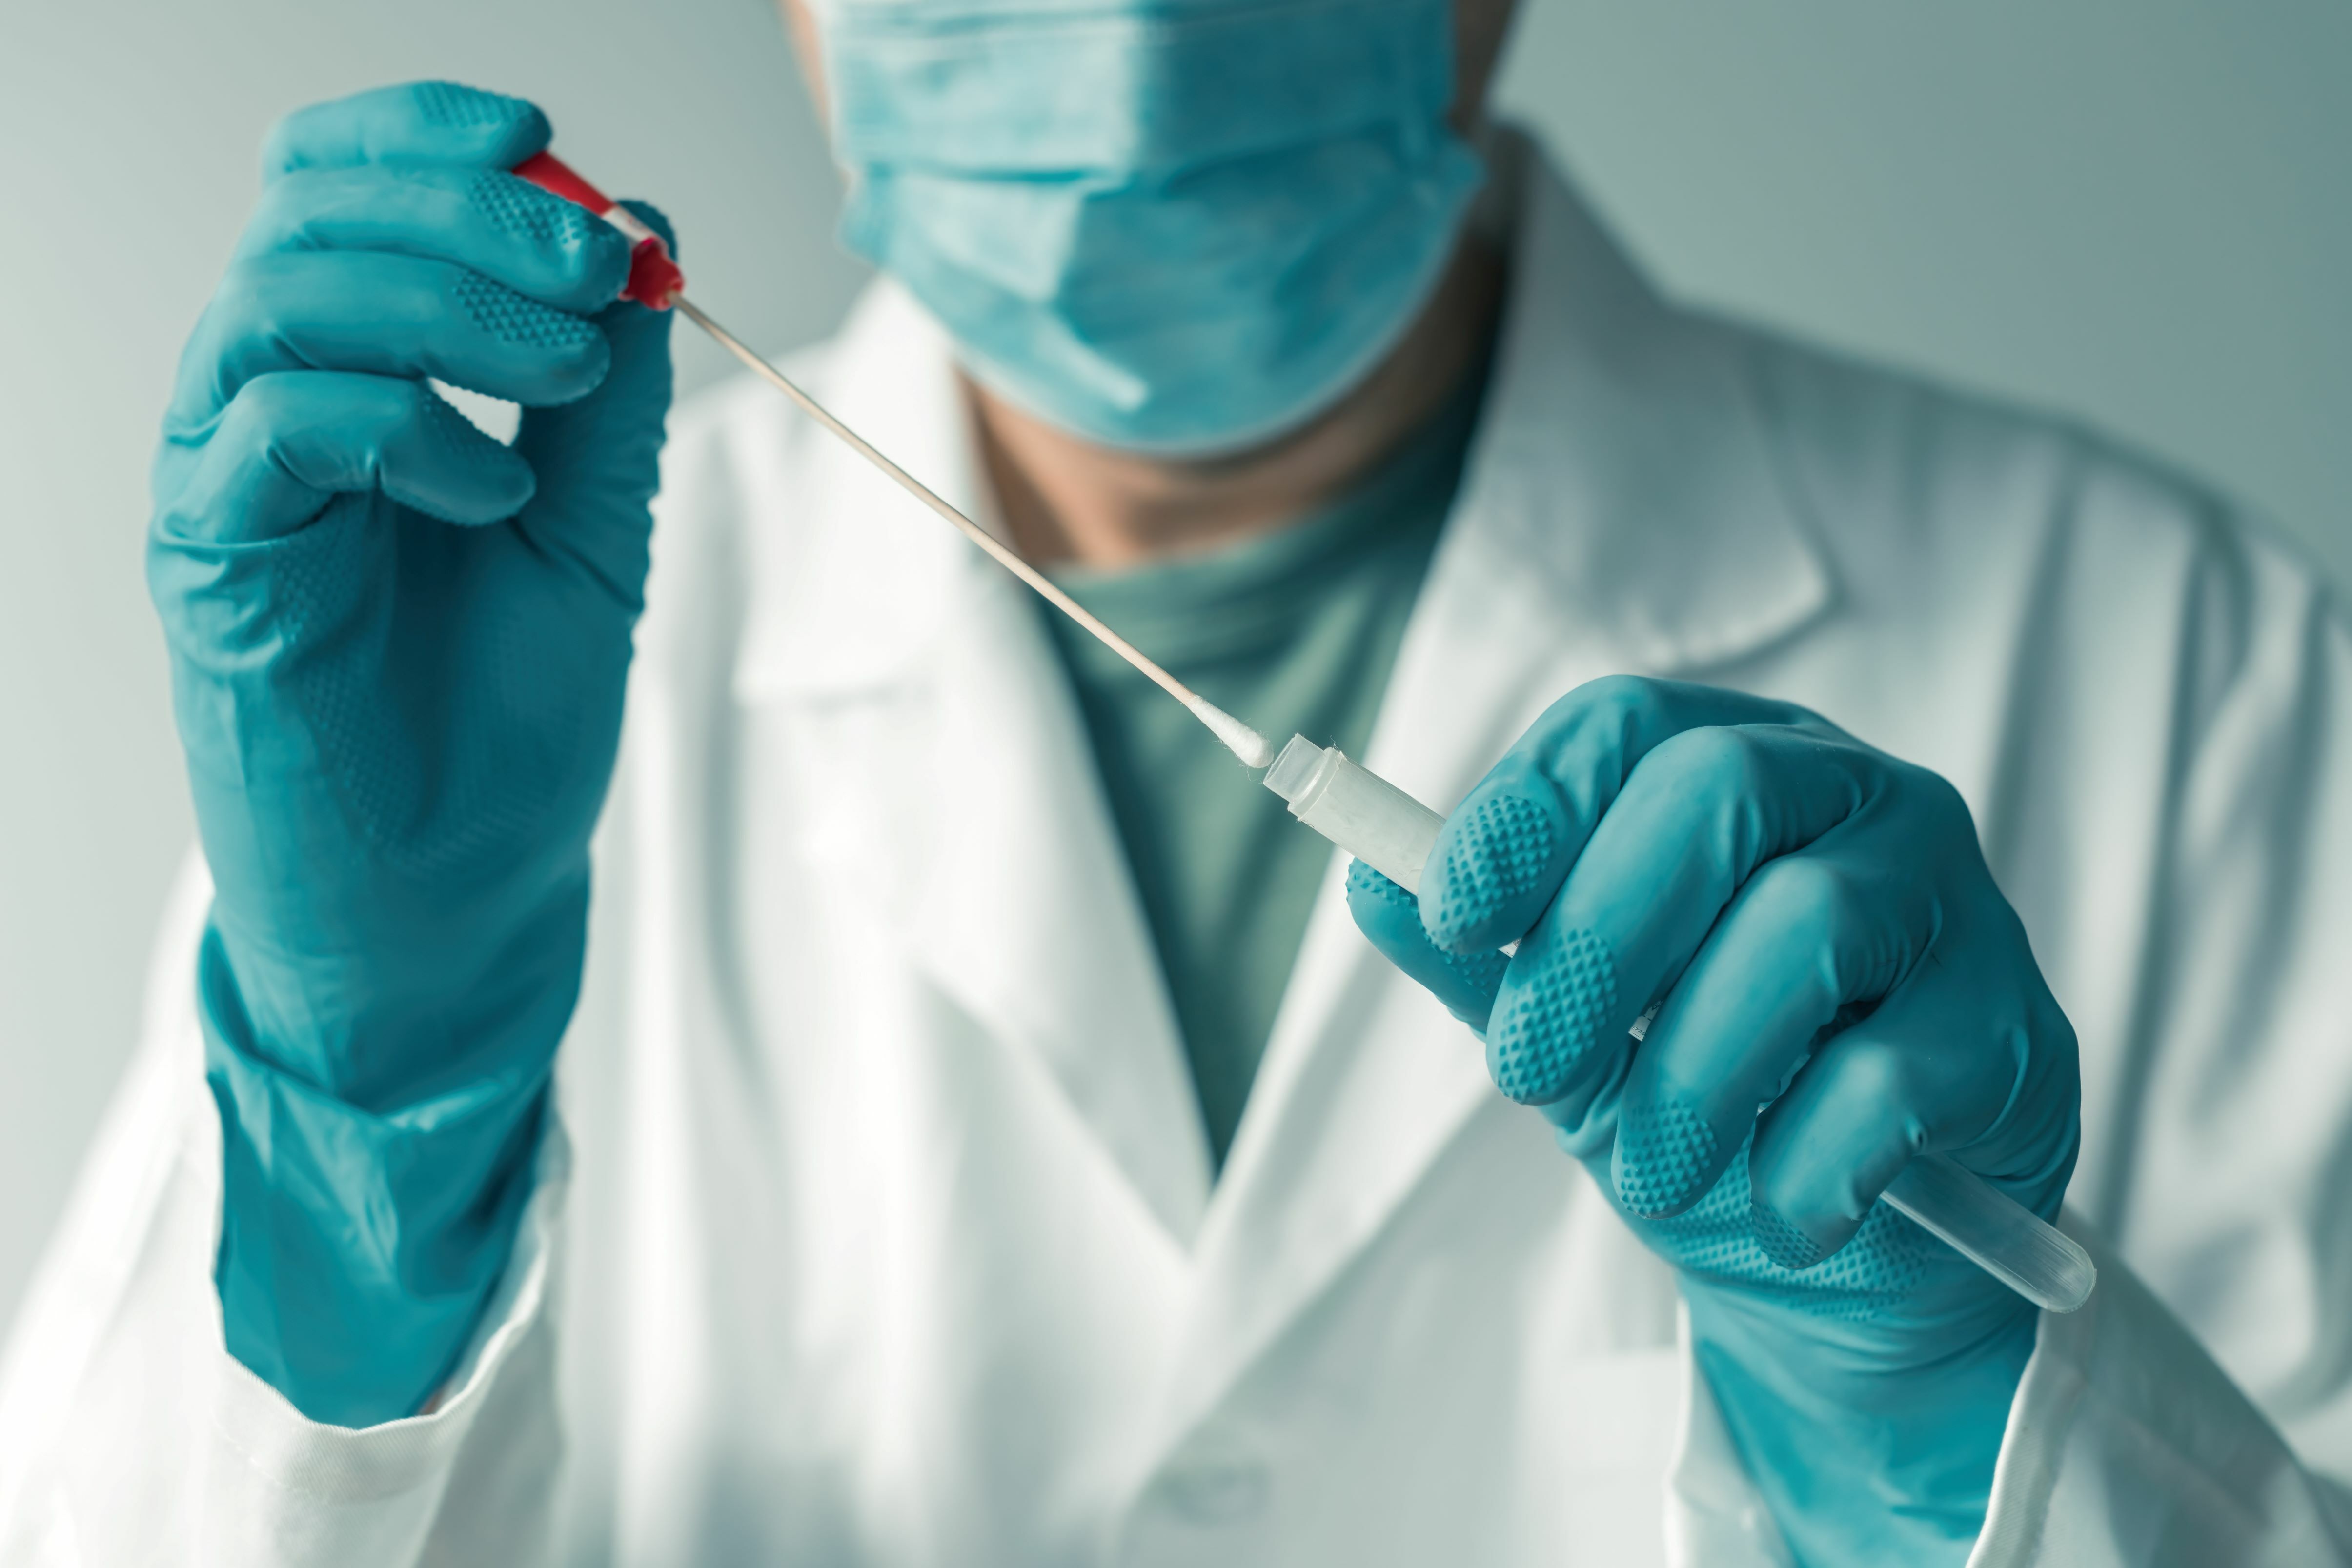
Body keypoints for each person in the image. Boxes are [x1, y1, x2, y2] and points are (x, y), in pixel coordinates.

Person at [0, 0, 2348, 1560]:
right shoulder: (456, 641)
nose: (1114, 33)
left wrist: (1937, 1454)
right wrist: (359, 1136)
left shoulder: (2187, 677)